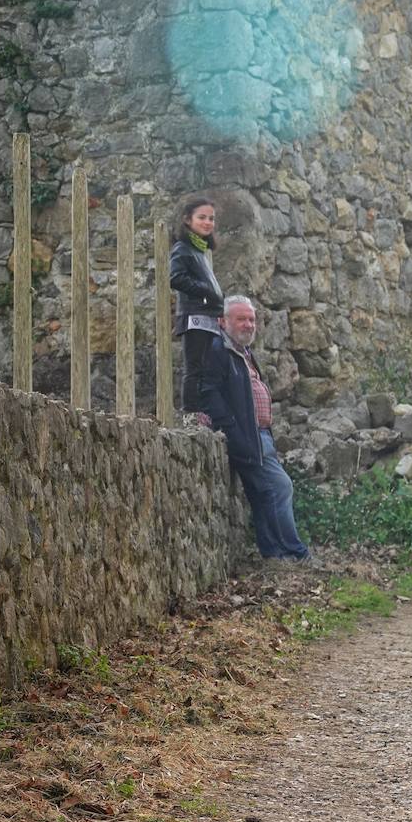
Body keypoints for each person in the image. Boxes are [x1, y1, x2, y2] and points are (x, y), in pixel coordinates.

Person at [200, 295, 312, 563]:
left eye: (251, 319)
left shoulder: (244, 352)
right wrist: (233, 432)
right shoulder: (219, 350)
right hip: (247, 436)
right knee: (280, 486)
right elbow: (210, 393)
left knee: (264, 494)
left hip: (260, 435)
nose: (248, 324)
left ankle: (274, 554)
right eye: (241, 319)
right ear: (222, 321)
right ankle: (296, 553)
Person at [170, 196, 224, 418]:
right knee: (194, 368)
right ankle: (191, 413)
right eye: (202, 217)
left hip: (207, 316)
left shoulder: (200, 251)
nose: (207, 222)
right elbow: (175, 278)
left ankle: (203, 411)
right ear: (187, 220)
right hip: (194, 315)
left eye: (211, 218)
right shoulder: (183, 248)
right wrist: (206, 291)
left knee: (206, 368)